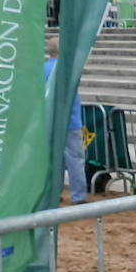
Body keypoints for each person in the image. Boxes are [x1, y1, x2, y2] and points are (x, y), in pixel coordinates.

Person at [45, 37, 86, 204]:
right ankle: (79, 196)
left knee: (55, 161)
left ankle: (54, 193)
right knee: (75, 160)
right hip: (70, 120)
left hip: (50, 121)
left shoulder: (42, 69)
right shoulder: (68, 69)